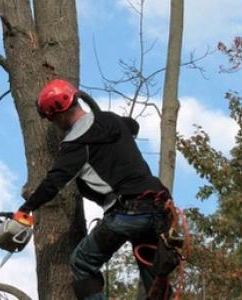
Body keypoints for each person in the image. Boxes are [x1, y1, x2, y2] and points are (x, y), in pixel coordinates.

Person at [19, 79, 176, 300]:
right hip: (160, 208)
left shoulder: (75, 144)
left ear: (57, 115)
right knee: (153, 280)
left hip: (128, 211)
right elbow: (133, 126)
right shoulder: (111, 120)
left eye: (52, 119)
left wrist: (25, 209)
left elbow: (53, 182)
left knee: (81, 264)